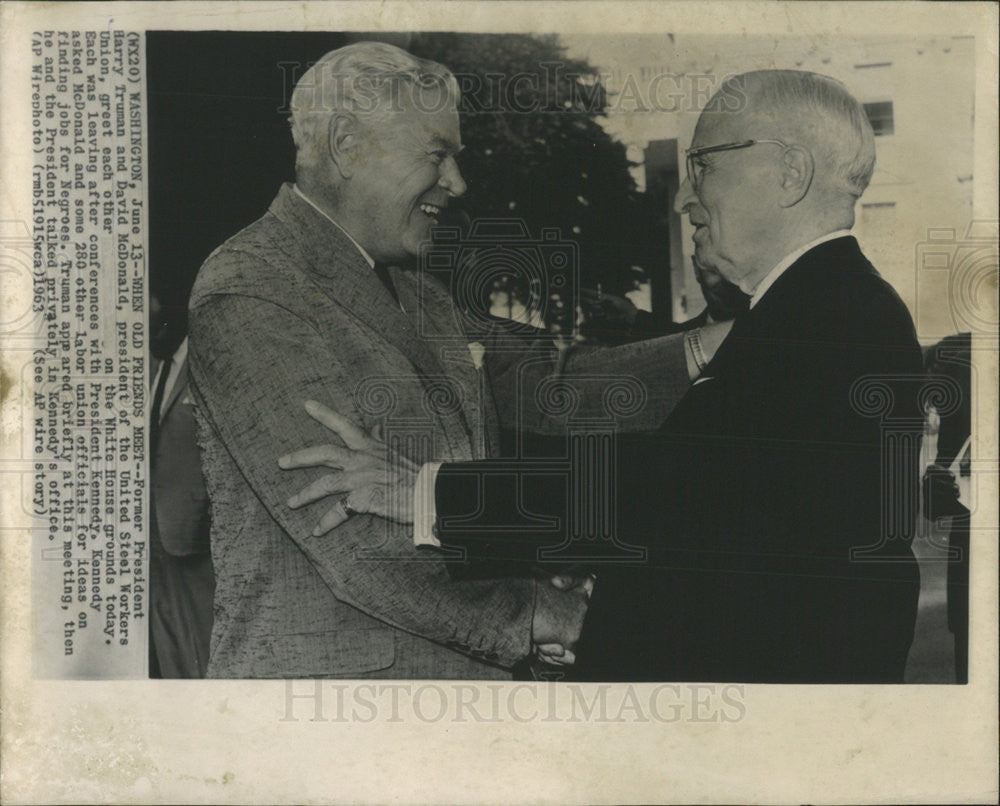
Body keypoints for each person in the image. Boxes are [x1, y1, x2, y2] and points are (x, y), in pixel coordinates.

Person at [281, 69, 925, 683]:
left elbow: (665, 488)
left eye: (705, 163)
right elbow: (723, 514)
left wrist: (427, 492)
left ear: (790, 172)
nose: (684, 195)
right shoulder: (815, 310)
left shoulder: (835, 316)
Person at [187, 42, 718, 679]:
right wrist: (553, 615)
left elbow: (554, 385)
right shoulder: (249, 289)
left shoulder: (417, 292)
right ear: (347, 145)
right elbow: (359, 550)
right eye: (438, 155)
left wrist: (723, 343)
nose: (457, 183)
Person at [148, 293, 215, 678]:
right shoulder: (164, 365)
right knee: (172, 652)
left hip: (197, 539)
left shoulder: (205, 359)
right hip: (158, 541)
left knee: (206, 653)